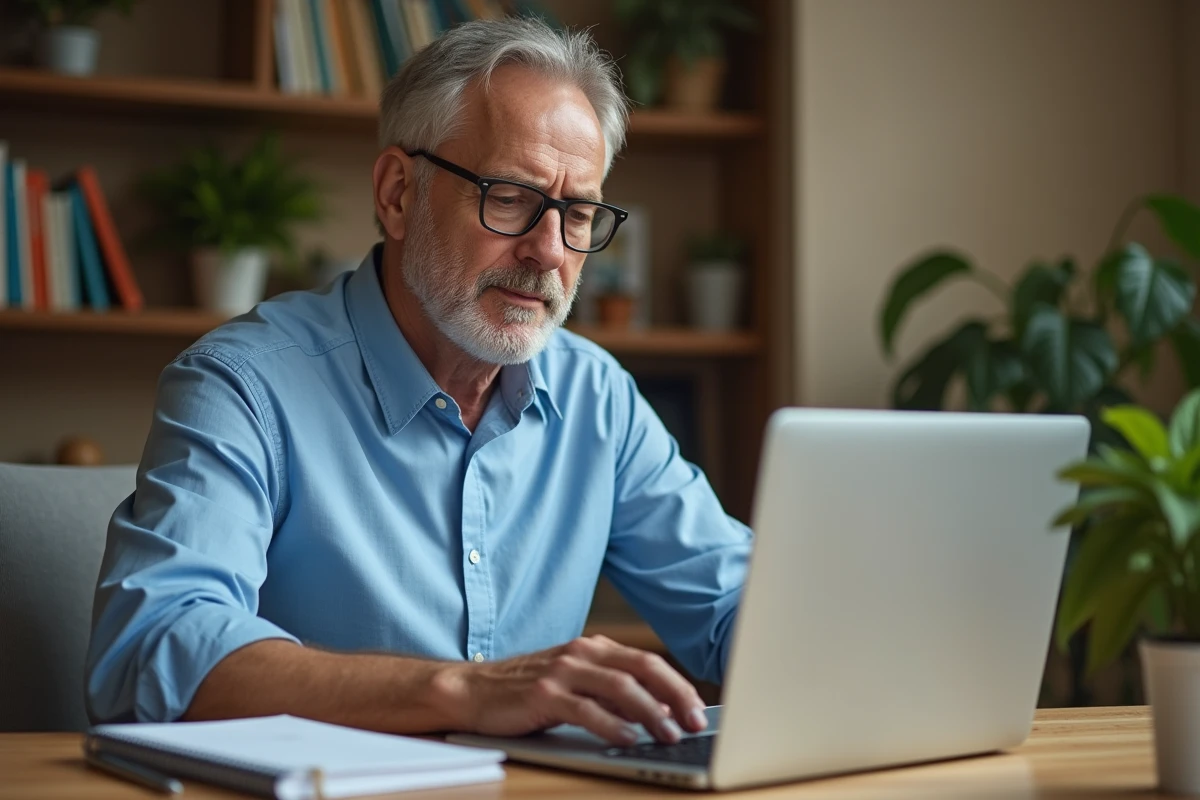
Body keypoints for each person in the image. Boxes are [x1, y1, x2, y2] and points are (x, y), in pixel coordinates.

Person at [85, 17, 751, 748]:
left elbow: (732, 604)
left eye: (579, 213)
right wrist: (462, 693)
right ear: (399, 193)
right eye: (510, 197)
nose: (547, 251)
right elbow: (150, 652)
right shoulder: (242, 386)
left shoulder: (599, 399)